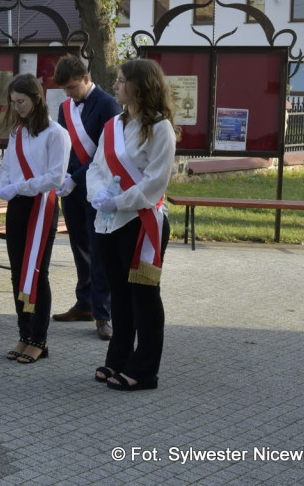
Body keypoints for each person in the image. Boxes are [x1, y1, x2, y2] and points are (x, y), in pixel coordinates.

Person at [87, 58, 178, 391]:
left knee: (144, 297)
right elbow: (97, 168)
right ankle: (118, 359)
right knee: (120, 296)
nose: (116, 85)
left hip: (142, 222)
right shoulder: (112, 125)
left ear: (141, 85)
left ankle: (144, 370)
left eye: (123, 80)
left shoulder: (160, 128)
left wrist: (119, 201)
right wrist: (99, 196)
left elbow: (155, 183)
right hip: (110, 222)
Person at [0, 74, 69, 364]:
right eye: (13, 102)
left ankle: (38, 339)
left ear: (37, 99)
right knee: (18, 272)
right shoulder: (19, 132)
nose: (17, 107)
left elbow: (55, 177)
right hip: (18, 205)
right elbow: (8, 168)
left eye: (22, 101)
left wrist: (17, 187)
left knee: (36, 272)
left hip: (41, 207)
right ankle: (23, 333)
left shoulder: (56, 133)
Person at [52, 55, 121, 341]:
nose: (67, 93)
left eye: (71, 87)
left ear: (85, 78)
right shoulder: (65, 107)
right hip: (71, 189)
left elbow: (103, 153)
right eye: (64, 89)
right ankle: (84, 304)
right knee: (80, 248)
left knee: (99, 250)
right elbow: (64, 147)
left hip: (97, 190)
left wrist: (75, 178)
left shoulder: (107, 104)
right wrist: (62, 177)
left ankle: (103, 314)